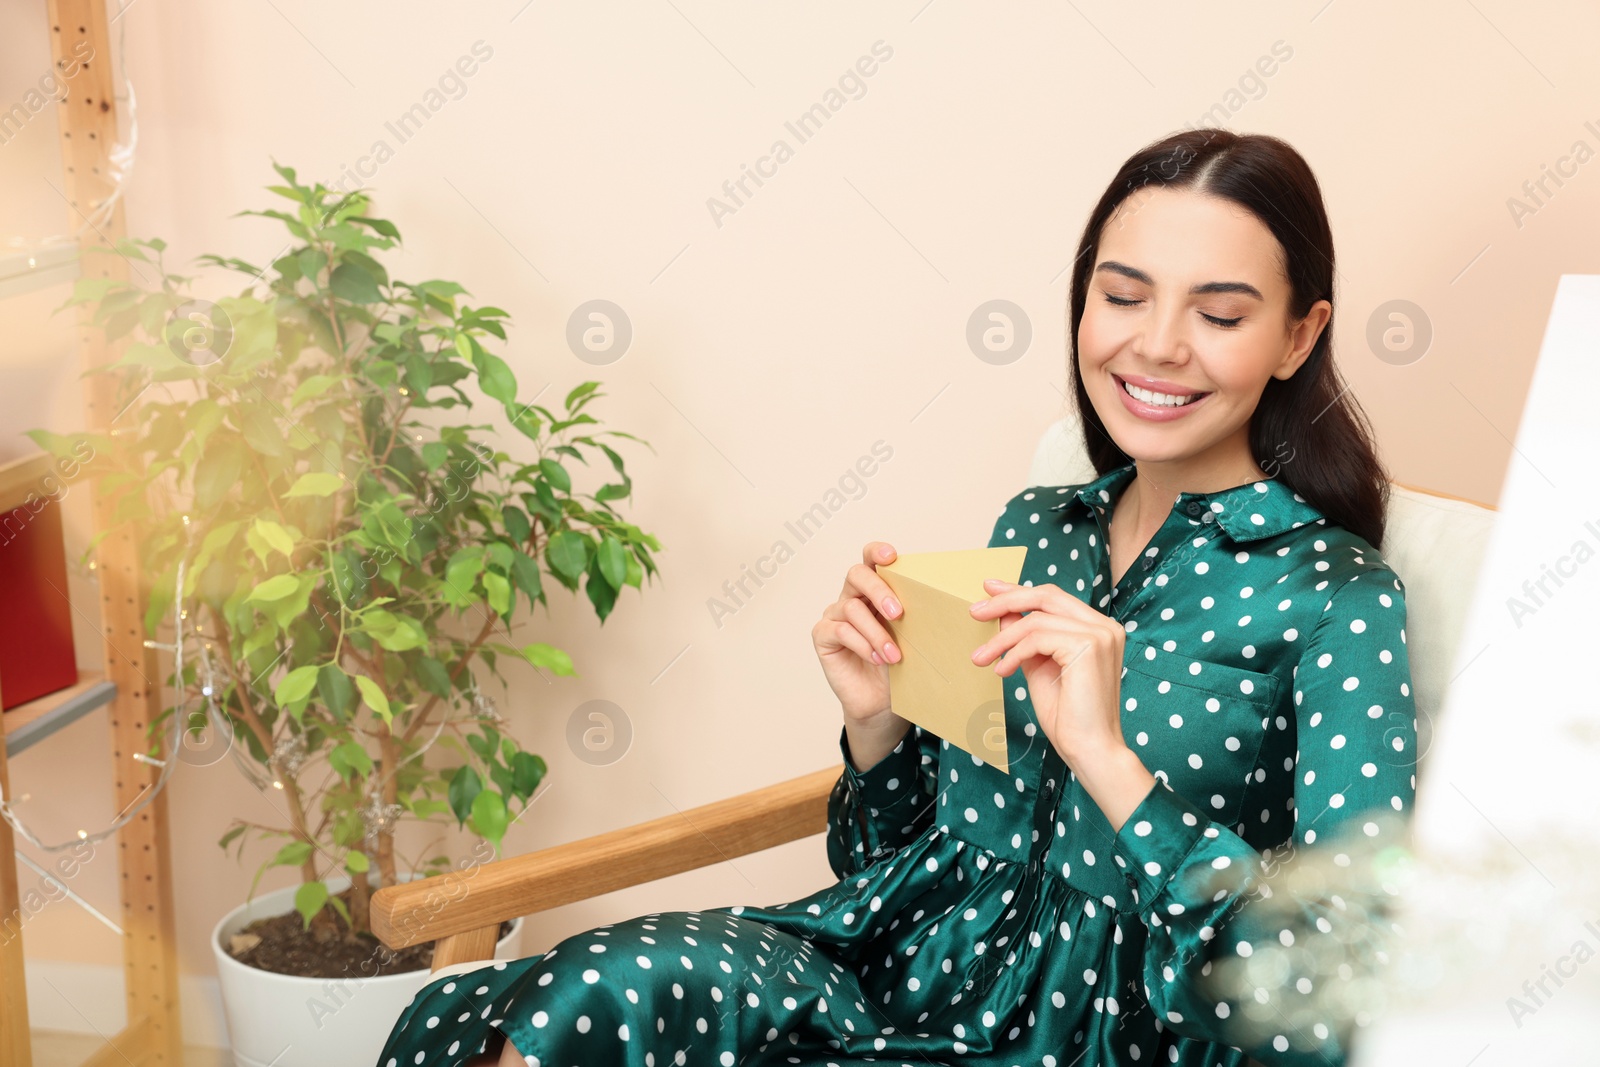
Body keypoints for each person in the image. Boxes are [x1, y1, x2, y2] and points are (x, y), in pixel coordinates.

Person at [375, 128, 1417, 1067]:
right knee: (590, 989)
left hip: (1104, 1030)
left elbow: (1330, 993)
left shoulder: (1335, 595)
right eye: (1122, 294)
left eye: (1219, 312)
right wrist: (874, 725)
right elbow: (905, 852)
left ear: (1295, 335)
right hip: (902, 960)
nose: (1154, 344)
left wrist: (1110, 762)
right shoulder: (1036, 527)